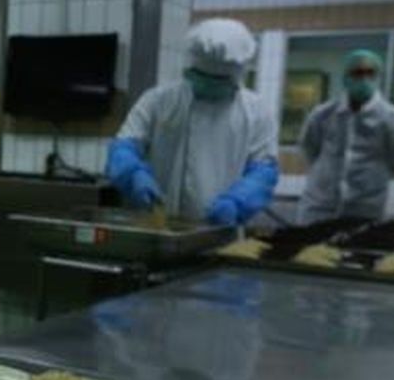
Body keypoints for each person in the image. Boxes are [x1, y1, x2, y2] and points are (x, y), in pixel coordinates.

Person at [105, 18, 279, 225]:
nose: (210, 85)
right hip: (157, 225)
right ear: (190, 69)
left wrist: (238, 202)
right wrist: (133, 175)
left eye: (220, 80)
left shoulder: (257, 112)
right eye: (202, 76)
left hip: (220, 232)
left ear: (238, 75)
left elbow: (263, 172)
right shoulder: (159, 100)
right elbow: (123, 148)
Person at [297, 50, 394, 224]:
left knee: (358, 249)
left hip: (366, 208)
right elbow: (310, 149)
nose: (364, 79)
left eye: (370, 73)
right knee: (310, 249)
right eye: (357, 73)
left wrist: (370, 176)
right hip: (320, 205)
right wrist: (328, 174)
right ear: (345, 77)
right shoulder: (323, 114)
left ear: (378, 77)